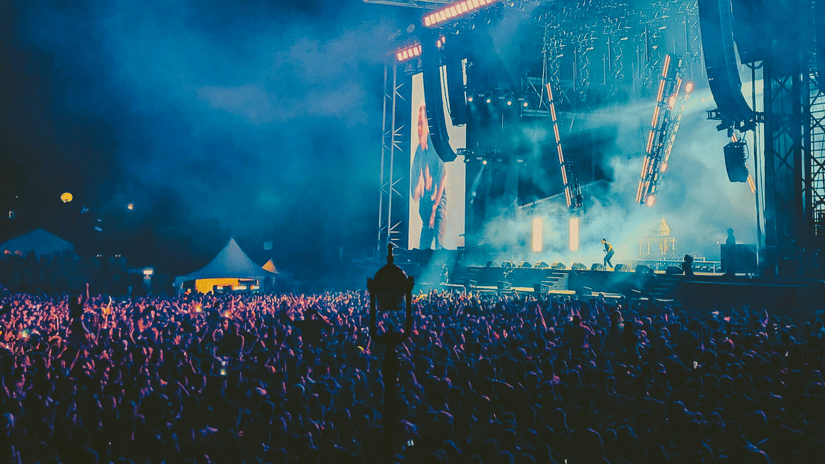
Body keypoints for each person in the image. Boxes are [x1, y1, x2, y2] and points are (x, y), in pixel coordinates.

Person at [411, 103, 448, 250]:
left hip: (438, 199)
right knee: (424, 240)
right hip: (426, 201)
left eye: (422, 123)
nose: (419, 128)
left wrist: (434, 209)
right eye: (418, 124)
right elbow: (415, 186)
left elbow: (442, 180)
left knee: (438, 240)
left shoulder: (435, 148)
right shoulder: (419, 152)